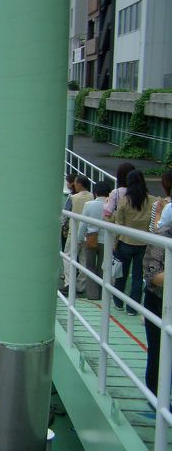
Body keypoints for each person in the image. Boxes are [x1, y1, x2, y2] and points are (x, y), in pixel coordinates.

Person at [113, 170, 158, 314]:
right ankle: (133, 308)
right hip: (144, 243)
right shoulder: (152, 200)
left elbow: (118, 224)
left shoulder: (124, 200)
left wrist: (115, 241)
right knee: (138, 277)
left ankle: (118, 302)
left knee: (122, 274)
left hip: (125, 241)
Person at [142, 223, 172, 398]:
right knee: (158, 350)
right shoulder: (164, 234)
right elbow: (152, 276)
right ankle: (156, 396)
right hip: (160, 302)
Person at [77, 180, 111, 300]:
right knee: (103, 268)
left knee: (90, 266)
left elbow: (83, 224)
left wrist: (79, 238)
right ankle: (104, 294)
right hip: (106, 240)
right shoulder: (111, 205)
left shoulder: (89, 204)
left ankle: (92, 295)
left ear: (95, 192)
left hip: (91, 238)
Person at [63, 175, 94, 294]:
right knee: (84, 260)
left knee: (68, 257)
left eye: (75, 183)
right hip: (88, 233)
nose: (74, 185)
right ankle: (81, 286)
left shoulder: (73, 197)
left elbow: (65, 214)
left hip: (74, 232)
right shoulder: (92, 197)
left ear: (80, 184)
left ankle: (69, 284)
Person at [61, 173, 77, 251]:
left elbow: (66, 211)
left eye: (67, 182)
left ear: (72, 183)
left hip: (68, 227)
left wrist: (62, 224)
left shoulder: (72, 196)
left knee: (66, 248)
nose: (66, 184)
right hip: (75, 226)